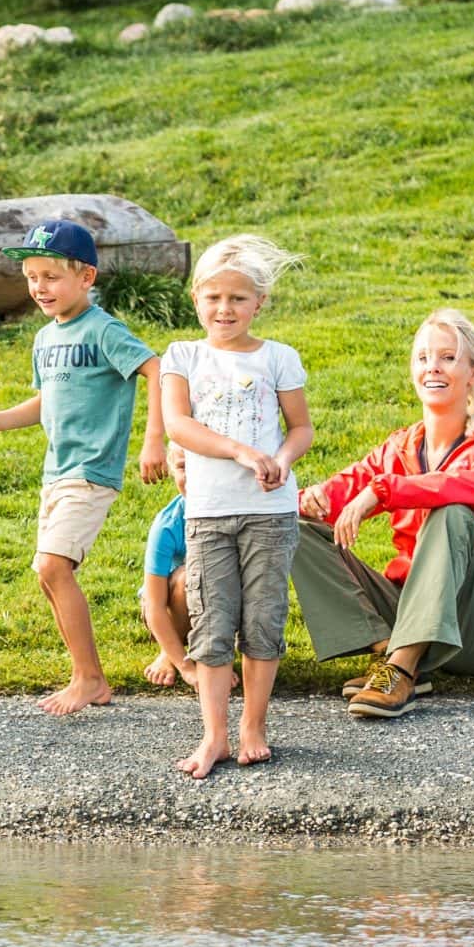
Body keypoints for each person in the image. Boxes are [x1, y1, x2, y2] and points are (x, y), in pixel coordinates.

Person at [0, 219, 168, 715]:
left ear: (86, 277)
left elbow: (156, 369)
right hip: (56, 472)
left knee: (54, 565)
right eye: (32, 276)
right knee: (47, 574)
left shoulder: (103, 329)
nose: (39, 287)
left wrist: (153, 439)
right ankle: (86, 675)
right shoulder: (46, 338)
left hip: (91, 471)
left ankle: (89, 678)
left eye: (51, 276)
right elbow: (45, 401)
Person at [294, 307, 474, 720]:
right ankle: (390, 651)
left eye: (447, 357)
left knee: (452, 513)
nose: (432, 368)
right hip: (410, 610)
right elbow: (340, 492)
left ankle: (401, 667)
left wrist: (386, 491)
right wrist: (310, 499)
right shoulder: (400, 446)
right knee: (295, 528)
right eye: (422, 358)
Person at [160, 236, 312, 776]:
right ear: (196, 298)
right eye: (214, 298)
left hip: (271, 513)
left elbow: (301, 428)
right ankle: (214, 736)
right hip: (207, 512)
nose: (225, 310)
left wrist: (283, 461)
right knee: (212, 621)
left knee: (264, 619)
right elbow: (179, 425)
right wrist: (241, 451)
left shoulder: (279, 357)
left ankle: (253, 728)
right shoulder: (182, 356)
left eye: (238, 299)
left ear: (260, 302)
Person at [139, 446, 193, 687]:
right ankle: (170, 652)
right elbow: (154, 605)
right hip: (168, 606)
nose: (191, 476)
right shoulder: (168, 525)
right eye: (182, 467)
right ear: (172, 471)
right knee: (188, 577)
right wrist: (186, 669)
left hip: (218, 602)